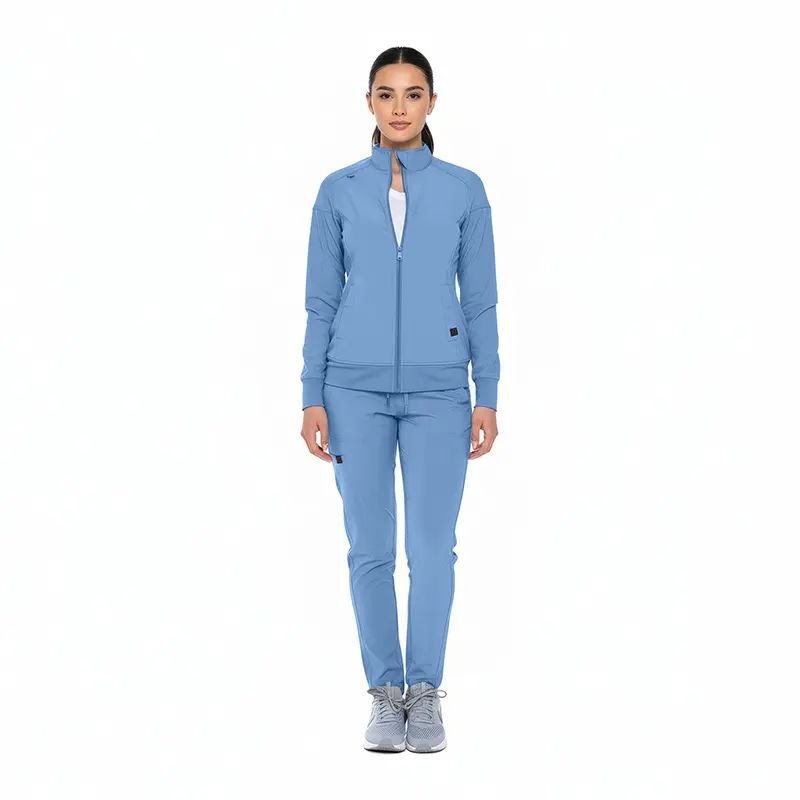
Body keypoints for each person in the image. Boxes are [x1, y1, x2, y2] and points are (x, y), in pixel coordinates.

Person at [299, 46, 500, 753]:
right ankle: (386, 695)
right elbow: (320, 300)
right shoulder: (339, 190)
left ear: (432, 104)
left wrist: (487, 391)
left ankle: (427, 693)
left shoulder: (463, 190)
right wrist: (311, 392)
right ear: (369, 103)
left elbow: (480, 299)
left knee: (433, 550)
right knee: (370, 548)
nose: (400, 107)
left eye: (413, 94)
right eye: (386, 94)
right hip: (351, 388)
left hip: (441, 389)